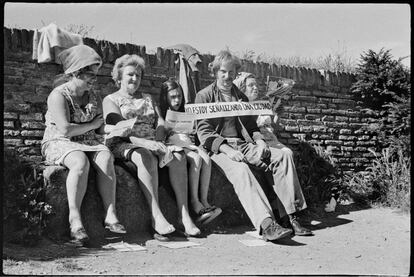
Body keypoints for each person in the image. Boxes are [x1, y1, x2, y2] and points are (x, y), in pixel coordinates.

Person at [195, 50, 312, 241]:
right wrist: (227, 150)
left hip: (244, 144)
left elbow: (250, 126)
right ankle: (266, 224)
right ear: (216, 71)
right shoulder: (204, 96)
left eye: (231, 72)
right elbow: (204, 133)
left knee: (284, 156)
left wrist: (259, 141)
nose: (227, 76)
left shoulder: (239, 96)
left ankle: (290, 216)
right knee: (241, 170)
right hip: (219, 149)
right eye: (223, 71)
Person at [102, 54, 201, 240]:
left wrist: (159, 140)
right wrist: (146, 144)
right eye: (130, 74)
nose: (134, 79)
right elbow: (118, 129)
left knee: (178, 155)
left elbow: (160, 121)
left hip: (152, 141)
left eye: (138, 76)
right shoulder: (111, 100)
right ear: (119, 77)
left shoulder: (148, 97)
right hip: (123, 142)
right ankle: (157, 217)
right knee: (145, 156)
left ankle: (184, 215)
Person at [41, 45, 126, 245]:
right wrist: (92, 125)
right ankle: (74, 219)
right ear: (76, 72)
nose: (94, 80)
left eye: (95, 75)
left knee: (106, 156)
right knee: (80, 162)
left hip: (87, 140)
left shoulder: (93, 95)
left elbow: (98, 128)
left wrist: (114, 130)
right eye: (90, 75)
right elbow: (65, 130)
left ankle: (110, 214)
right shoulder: (58, 95)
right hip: (59, 141)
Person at [158, 78, 222, 224]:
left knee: (205, 157)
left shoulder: (185, 110)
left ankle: (204, 201)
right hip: (173, 144)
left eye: (179, 96)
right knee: (196, 158)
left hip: (186, 143)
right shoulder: (161, 112)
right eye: (172, 97)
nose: (177, 100)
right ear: (165, 97)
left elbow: (191, 132)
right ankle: (194, 202)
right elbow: (160, 136)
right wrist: (166, 129)